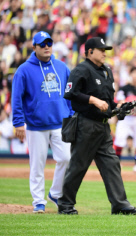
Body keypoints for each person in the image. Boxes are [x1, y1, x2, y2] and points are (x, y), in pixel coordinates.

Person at [57, 37, 136, 215]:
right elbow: (69, 93)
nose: (104, 52)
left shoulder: (107, 71)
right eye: (101, 49)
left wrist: (119, 107)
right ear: (89, 52)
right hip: (86, 124)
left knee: (112, 164)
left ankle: (119, 204)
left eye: (105, 49)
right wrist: (92, 100)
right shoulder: (81, 69)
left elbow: (108, 102)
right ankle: (65, 204)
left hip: (103, 127)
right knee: (78, 165)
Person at [12, 31, 73, 213]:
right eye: (42, 44)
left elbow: (70, 94)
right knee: (37, 164)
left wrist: (71, 114)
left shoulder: (62, 67)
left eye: (49, 43)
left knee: (66, 158)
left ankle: (55, 192)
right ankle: (38, 201)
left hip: (60, 122)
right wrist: (18, 122)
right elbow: (16, 98)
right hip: (36, 125)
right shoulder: (23, 70)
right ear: (34, 47)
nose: (47, 47)